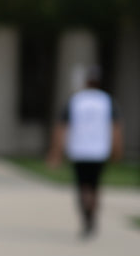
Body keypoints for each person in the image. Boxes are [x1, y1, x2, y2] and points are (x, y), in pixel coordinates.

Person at [48, 66, 123, 237]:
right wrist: (117, 149)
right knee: (95, 185)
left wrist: (56, 151)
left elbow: (61, 127)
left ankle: (86, 216)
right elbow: (116, 128)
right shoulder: (107, 101)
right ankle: (92, 214)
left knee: (82, 185)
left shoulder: (75, 100)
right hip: (99, 150)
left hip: (79, 149)